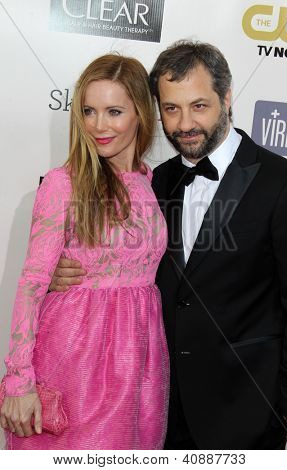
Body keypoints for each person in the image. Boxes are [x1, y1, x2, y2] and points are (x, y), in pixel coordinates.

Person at [48, 41, 287, 449]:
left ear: (227, 97)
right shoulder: (151, 183)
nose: (184, 123)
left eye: (198, 106)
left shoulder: (282, 183)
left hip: (250, 415)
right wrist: (62, 273)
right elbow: (121, 263)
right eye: (171, 108)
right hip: (159, 412)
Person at [0, 54, 169, 450]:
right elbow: (31, 284)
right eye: (89, 111)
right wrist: (18, 380)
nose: (98, 125)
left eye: (114, 111)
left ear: (141, 114)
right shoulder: (64, 183)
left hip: (143, 362)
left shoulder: (148, 180)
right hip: (77, 358)